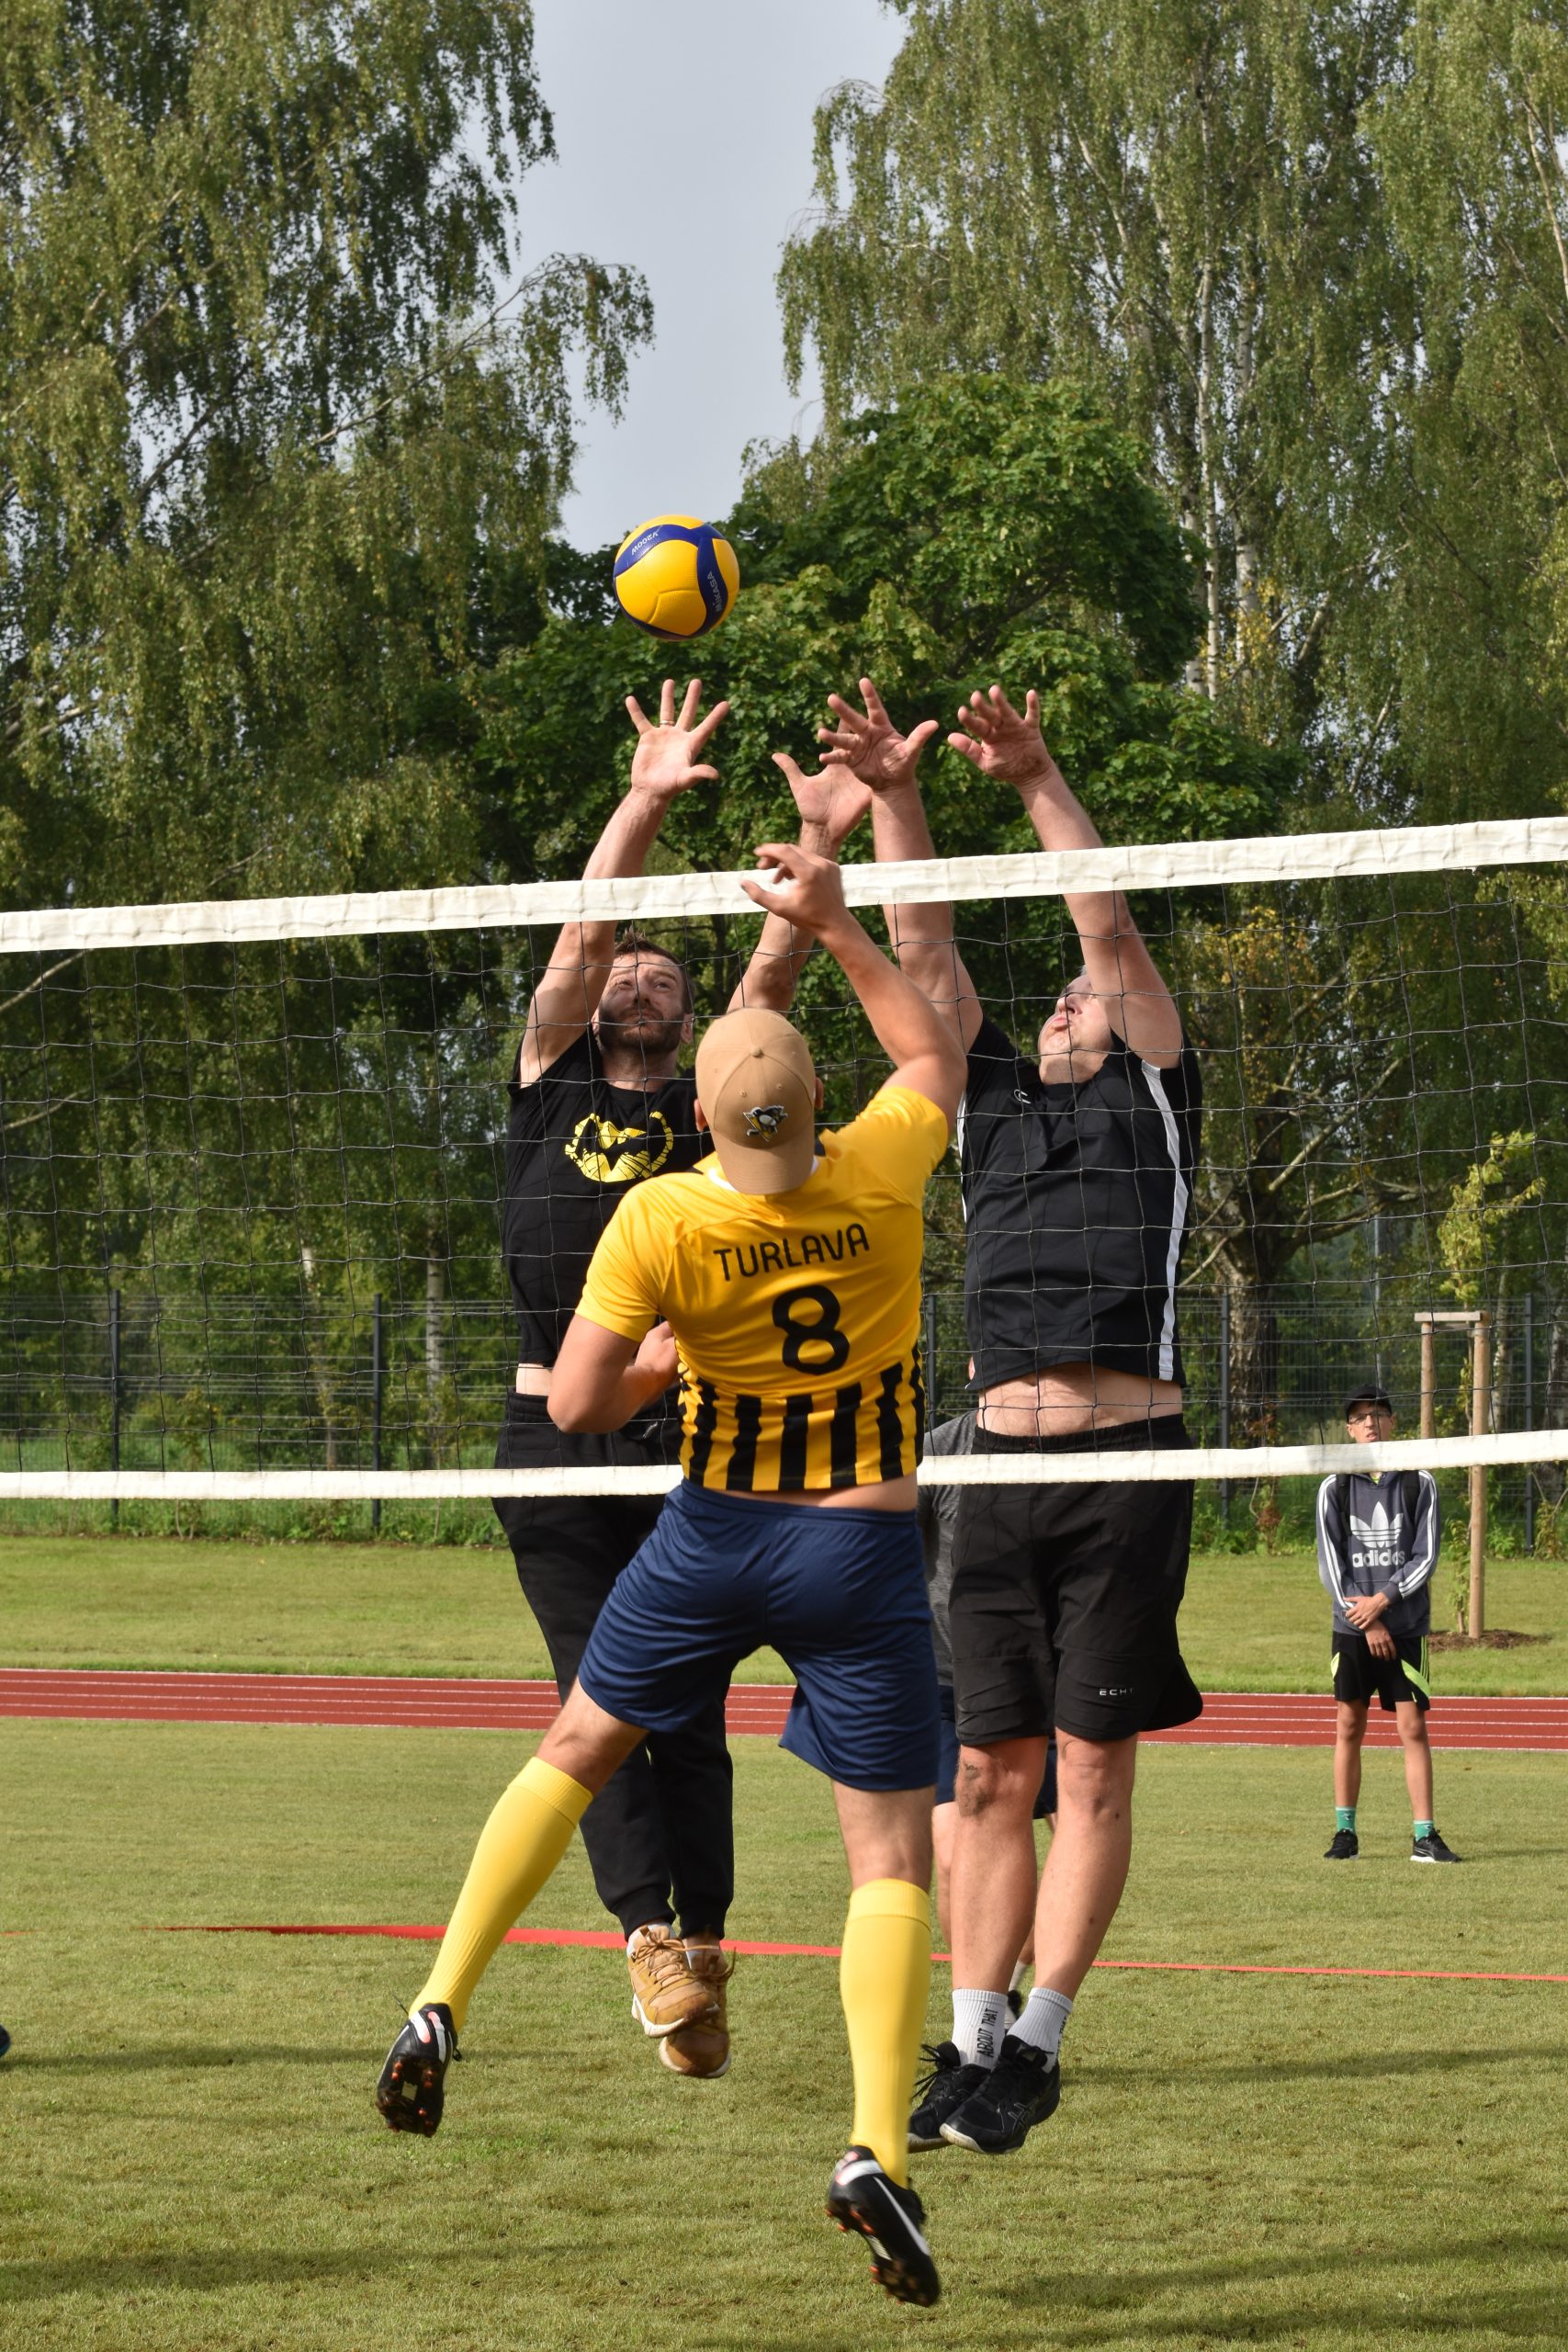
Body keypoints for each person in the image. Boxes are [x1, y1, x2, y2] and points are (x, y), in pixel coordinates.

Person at [378, 836, 965, 2309]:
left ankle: (440, 2003)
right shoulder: (884, 1172)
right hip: (856, 1543)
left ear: (697, 1119)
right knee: (887, 1861)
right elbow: (929, 1047)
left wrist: (655, 1367)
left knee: (577, 1744)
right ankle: (874, 2148)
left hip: (707, 1531)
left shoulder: (666, 1213)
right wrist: (835, 923)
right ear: (822, 1111)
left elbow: (579, 1406)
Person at [818, 677, 1202, 2158]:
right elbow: (923, 949)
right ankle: (969, 2040)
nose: (1060, 1001)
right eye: (1046, 1001)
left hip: (1125, 1463)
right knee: (983, 1772)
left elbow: (1102, 930)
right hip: (986, 1469)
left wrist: (1034, 776)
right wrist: (896, 796)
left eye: (1076, 1001)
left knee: (1089, 1767)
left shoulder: (1151, 1096)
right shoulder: (980, 1102)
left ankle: (1036, 2044)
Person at [491, 677, 860, 2078]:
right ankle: (643, 1935)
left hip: (689, 1436)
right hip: (551, 1436)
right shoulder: (549, 1077)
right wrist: (643, 796)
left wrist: (815, 849)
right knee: (593, 1703)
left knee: (688, 1712)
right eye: (624, 974)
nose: (637, 979)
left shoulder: (714, 1117)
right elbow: (584, 930)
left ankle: (700, 1941)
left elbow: (770, 982)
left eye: (664, 976)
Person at [1319, 1385, 1457, 1862]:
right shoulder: (1334, 1485)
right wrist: (1367, 1620)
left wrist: (1383, 1602)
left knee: (1412, 1727)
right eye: (1360, 1417)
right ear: (1349, 1429)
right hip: (1353, 1626)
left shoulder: (1419, 1480)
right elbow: (1331, 1567)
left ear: (1393, 1421)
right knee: (1348, 1724)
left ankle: (1424, 1837)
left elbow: (1426, 1557)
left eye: (1378, 1414)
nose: (1370, 1422)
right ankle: (1345, 1834)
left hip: (1405, 1626)